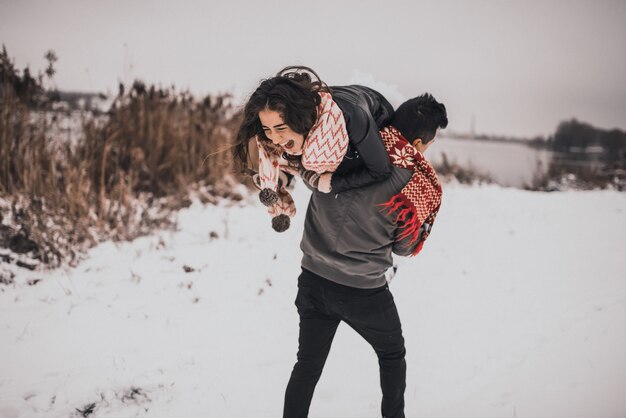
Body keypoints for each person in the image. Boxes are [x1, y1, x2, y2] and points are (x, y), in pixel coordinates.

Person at [284, 93, 447, 418]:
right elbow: (403, 247)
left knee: (307, 366)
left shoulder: (342, 145)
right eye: (426, 146)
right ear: (417, 141)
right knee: (392, 354)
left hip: (312, 279)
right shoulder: (411, 178)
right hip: (363, 291)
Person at [234, 66, 394, 232]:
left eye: (280, 128)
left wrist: (331, 183)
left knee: (324, 188)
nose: (274, 138)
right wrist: (279, 182)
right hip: (327, 148)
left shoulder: (352, 117)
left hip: (373, 127)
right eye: (267, 129)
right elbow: (292, 158)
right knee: (313, 180)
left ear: (299, 119)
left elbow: (380, 170)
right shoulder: (289, 136)